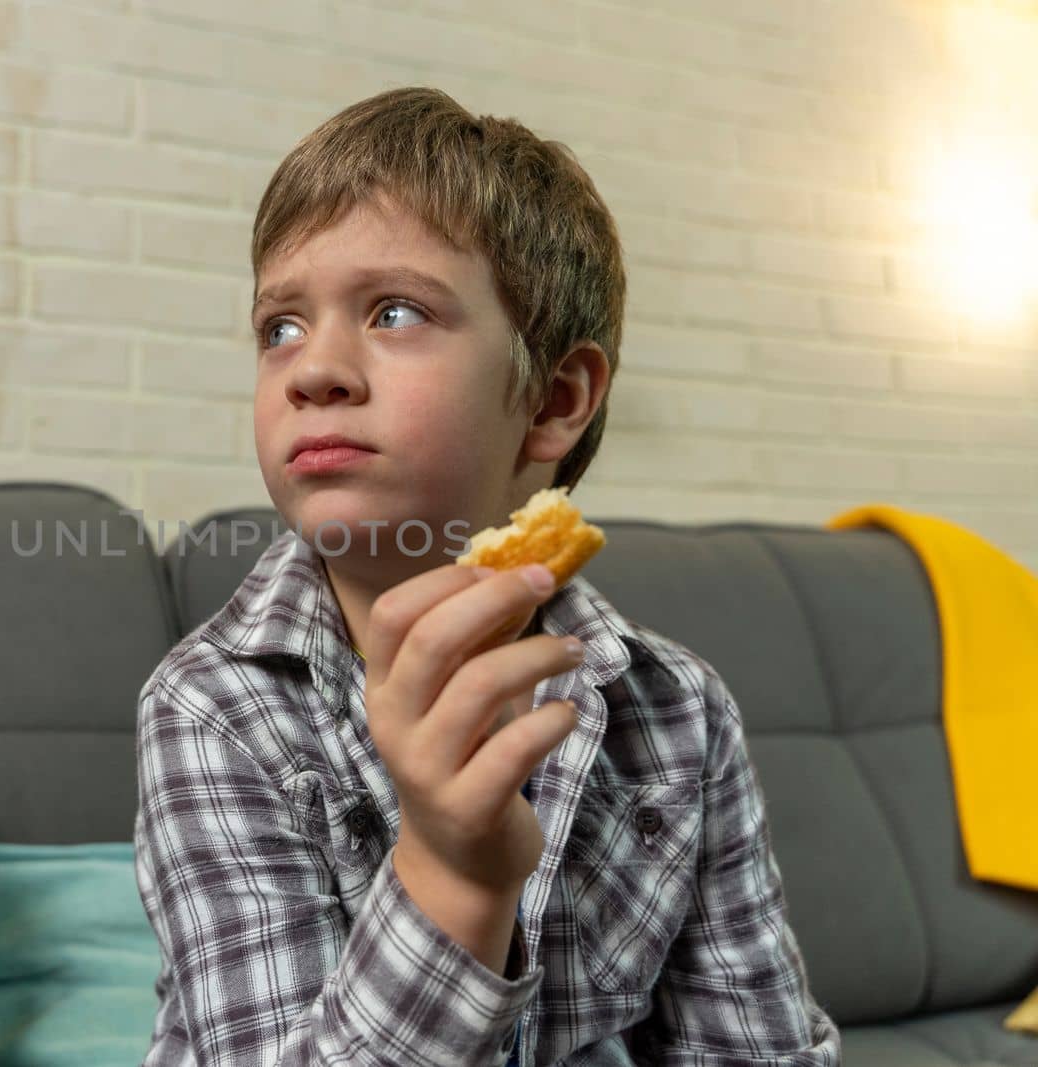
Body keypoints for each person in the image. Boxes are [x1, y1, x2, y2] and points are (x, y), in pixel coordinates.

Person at [133, 88, 841, 1065]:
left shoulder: (679, 711)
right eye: (279, 328)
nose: (312, 369)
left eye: (393, 310)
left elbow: (753, 1045)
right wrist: (453, 875)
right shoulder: (212, 705)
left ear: (552, 401)